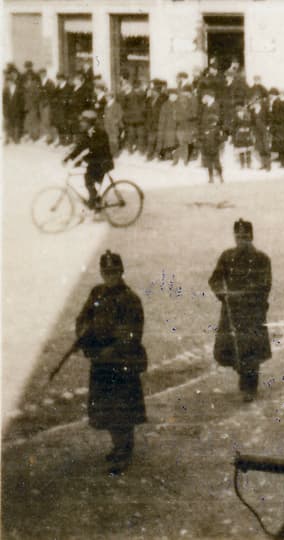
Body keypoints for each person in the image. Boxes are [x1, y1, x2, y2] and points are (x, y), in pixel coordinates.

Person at [75, 250, 148, 474]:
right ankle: (118, 446)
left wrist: (109, 350)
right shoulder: (96, 293)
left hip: (122, 362)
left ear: (121, 271)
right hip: (101, 362)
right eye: (106, 272)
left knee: (122, 409)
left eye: (114, 272)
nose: (110, 277)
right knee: (106, 408)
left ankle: (124, 451)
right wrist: (84, 337)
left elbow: (131, 333)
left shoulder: (130, 299)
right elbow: (83, 318)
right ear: (101, 273)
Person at [208, 219, 272, 402]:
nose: (242, 240)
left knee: (251, 352)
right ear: (235, 238)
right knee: (235, 350)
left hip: (252, 312)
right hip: (232, 312)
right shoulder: (227, 256)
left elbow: (265, 285)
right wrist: (222, 293)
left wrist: (250, 299)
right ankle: (244, 383)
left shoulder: (262, 259)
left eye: (245, 237)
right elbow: (215, 279)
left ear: (251, 237)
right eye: (238, 236)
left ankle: (249, 388)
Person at [63, 110, 114, 209]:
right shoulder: (87, 133)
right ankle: (96, 201)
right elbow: (81, 146)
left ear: (90, 123)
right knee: (88, 182)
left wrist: (81, 159)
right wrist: (69, 157)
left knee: (89, 181)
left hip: (103, 163)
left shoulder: (100, 133)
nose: (81, 123)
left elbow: (94, 149)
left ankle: (93, 205)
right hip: (95, 163)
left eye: (83, 121)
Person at [199, 91, 225, 183]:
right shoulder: (207, 105)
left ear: (209, 96)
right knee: (209, 159)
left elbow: (217, 120)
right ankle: (213, 176)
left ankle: (218, 175)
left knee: (215, 158)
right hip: (207, 134)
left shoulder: (215, 105)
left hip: (213, 135)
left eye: (204, 97)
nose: (203, 99)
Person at [173, 85, 198, 166]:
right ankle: (177, 160)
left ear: (189, 92)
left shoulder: (194, 100)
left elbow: (194, 114)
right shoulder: (182, 100)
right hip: (181, 125)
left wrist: (185, 116)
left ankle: (185, 160)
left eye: (185, 92)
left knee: (186, 142)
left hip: (189, 125)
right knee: (180, 142)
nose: (183, 94)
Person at [269, 88, 284, 167]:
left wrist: (275, 119)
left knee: (283, 144)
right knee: (280, 143)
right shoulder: (276, 102)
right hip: (279, 126)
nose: (280, 96)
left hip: (283, 126)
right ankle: (281, 158)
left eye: (282, 94)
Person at [121, 80, 146, 154]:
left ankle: (135, 150)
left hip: (134, 118)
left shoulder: (132, 95)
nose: (123, 88)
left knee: (136, 134)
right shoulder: (128, 95)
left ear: (128, 87)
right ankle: (135, 150)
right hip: (134, 118)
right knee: (135, 134)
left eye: (124, 86)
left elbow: (123, 107)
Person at [250, 98, 272, 171]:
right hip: (256, 130)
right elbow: (252, 121)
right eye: (254, 103)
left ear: (259, 103)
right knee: (260, 147)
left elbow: (269, 117)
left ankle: (268, 165)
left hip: (264, 129)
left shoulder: (264, 109)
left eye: (256, 102)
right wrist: (253, 129)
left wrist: (268, 126)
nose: (255, 104)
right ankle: (263, 164)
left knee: (266, 146)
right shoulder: (252, 111)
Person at [3, 73, 25, 143]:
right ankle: (7, 139)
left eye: (9, 81)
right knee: (8, 125)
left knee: (16, 124)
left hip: (17, 110)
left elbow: (22, 101)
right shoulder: (5, 90)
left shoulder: (18, 89)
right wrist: (4, 110)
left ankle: (16, 139)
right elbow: (4, 102)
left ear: (12, 81)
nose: (8, 83)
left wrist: (20, 109)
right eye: (7, 82)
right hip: (8, 110)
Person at [232, 105, 255, 170]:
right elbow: (233, 128)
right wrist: (238, 129)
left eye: (241, 111)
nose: (240, 113)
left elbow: (251, 125)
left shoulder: (247, 117)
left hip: (247, 135)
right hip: (239, 136)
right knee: (241, 150)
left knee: (248, 150)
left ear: (243, 111)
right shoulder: (235, 119)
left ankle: (249, 164)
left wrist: (248, 129)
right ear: (237, 113)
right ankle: (242, 165)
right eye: (238, 112)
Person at [102, 92, 124, 157]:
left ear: (111, 97)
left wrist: (115, 121)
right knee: (108, 138)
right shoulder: (106, 105)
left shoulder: (117, 105)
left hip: (114, 125)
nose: (106, 98)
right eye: (106, 97)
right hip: (107, 124)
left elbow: (120, 114)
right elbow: (105, 114)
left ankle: (116, 153)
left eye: (107, 97)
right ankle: (110, 152)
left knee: (114, 139)